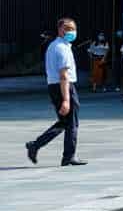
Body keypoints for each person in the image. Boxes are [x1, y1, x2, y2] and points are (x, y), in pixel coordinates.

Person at [26, 18, 86, 166]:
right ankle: (69, 156)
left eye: (73, 28)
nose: (72, 32)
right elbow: (64, 75)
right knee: (72, 122)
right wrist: (66, 99)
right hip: (64, 86)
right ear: (60, 30)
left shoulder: (54, 46)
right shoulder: (62, 48)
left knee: (64, 122)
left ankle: (36, 145)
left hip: (54, 86)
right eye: (68, 28)